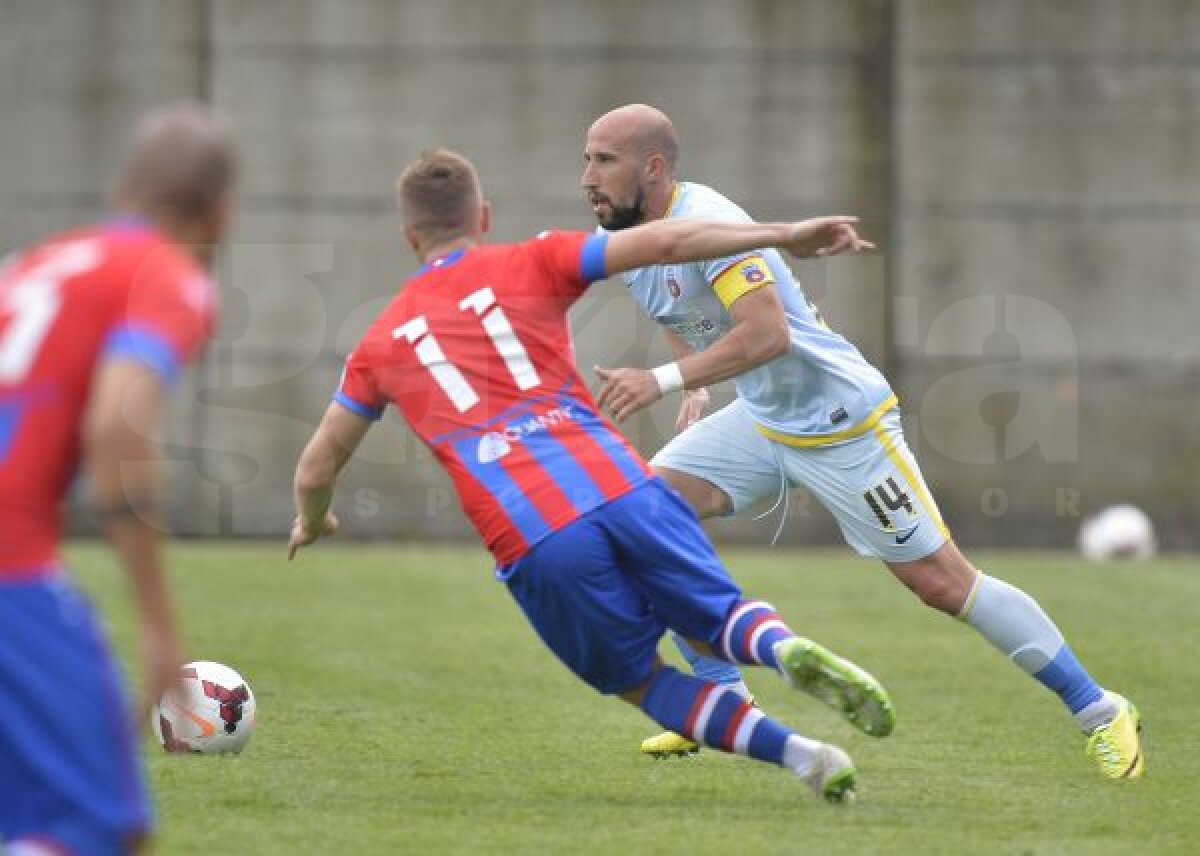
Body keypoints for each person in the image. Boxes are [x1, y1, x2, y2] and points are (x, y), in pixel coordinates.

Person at [288, 149, 892, 803]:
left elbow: (318, 464)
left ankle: (807, 756)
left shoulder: (378, 344)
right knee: (721, 616)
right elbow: (667, 239)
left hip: (534, 533)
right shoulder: (532, 260)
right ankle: (780, 649)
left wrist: (316, 518)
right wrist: (783, 235)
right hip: (622, 485)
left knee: (643, 680)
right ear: (483, 218)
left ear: (410, 237)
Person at [581, 103, 1143, 779]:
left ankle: (1100, 710)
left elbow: (768, 335)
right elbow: (677, 308)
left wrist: (663, 380)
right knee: (637, 518)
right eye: (586, 158)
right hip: (762, 417)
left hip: (839, 420)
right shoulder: (625, 231)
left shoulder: (714, 224)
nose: (588, 175)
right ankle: (721, 699)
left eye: (603, 160)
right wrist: (696, 386)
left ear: (654, 168)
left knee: (941, 583)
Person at [0, 102, 235, 854]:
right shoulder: (166, 276)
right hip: (10, 568)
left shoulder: (32, 263)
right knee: (100, 826)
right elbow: (117, 424)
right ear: (218, 214)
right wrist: (160, 624)